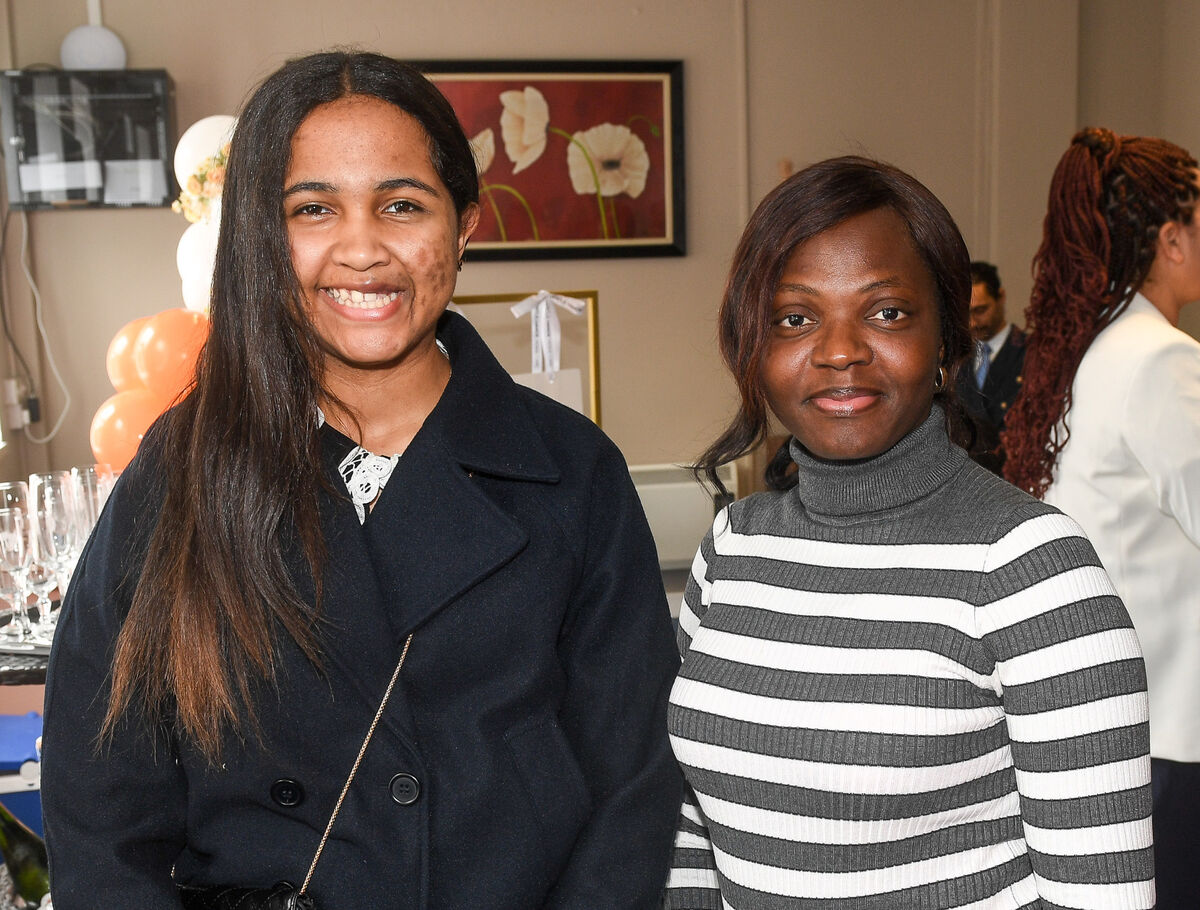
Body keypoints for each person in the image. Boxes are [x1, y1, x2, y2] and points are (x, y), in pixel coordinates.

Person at [40, 51, 681, 909]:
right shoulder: (182, 468)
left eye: (402, 205)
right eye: (313, 209)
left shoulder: (572, 472)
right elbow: (98, 801)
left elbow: (626, 794)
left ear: (464, 227)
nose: (362, 248)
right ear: (263, 239)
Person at [662, 156, 1154, 909]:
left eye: (885, 312)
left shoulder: (1035, 569)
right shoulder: (733, 547)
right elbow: (689, 822)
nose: (839, 351)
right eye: (796, 318)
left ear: (948, 336)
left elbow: (1101, 897)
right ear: (754, 344)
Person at [1002, 127, 1200, 910]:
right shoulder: (1161, 359)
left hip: (1103, 724)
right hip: (1173, 734)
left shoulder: (1086, 349)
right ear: (1171, 238)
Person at [955, 261, 1026, 470]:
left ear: (1001, 298)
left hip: (1013, 482)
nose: (973, 323)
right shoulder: (955, 358)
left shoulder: (1032, 354)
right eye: (966, 313)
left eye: (981, 310)